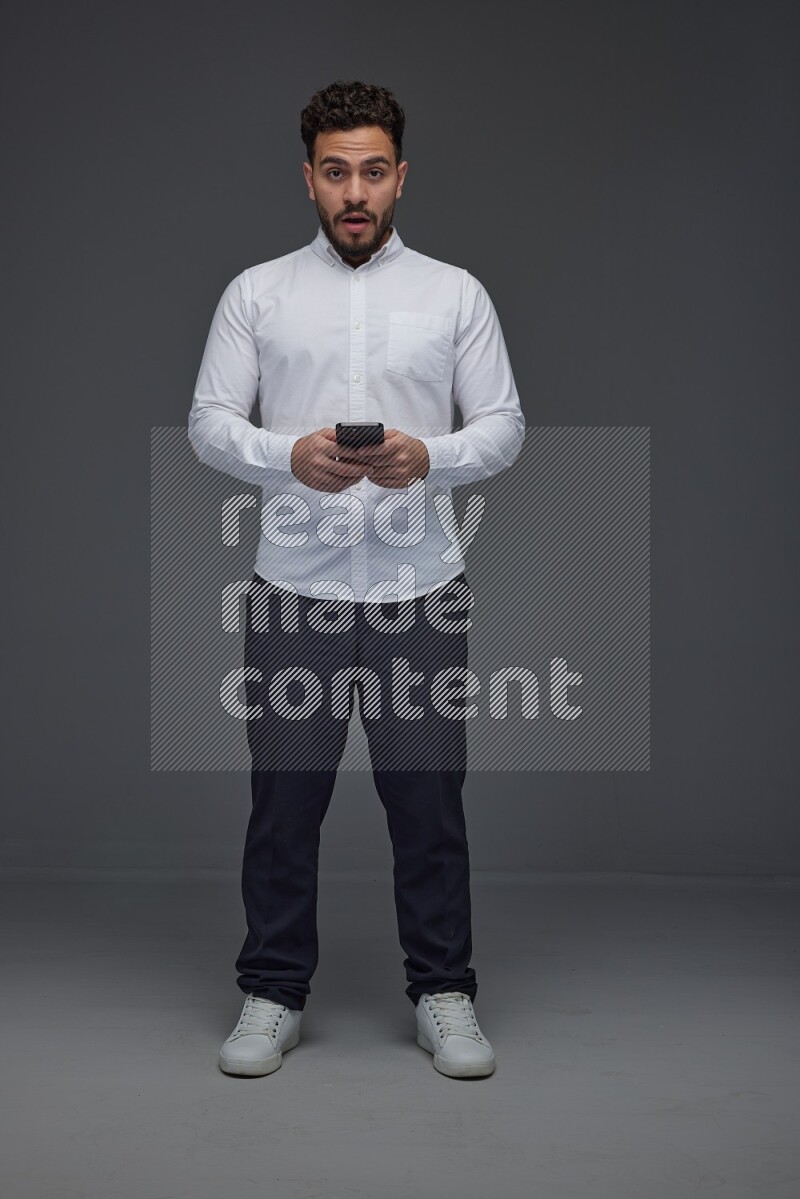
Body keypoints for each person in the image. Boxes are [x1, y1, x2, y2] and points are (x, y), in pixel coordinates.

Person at [188, 79, 525, 1080]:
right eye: (335, 171)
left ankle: (443, 989)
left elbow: (502, 425)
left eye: (372, 171)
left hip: (422, 585)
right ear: (307, 179)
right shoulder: (256, 293)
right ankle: (271, 989)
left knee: (427, 799)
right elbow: (209, 420)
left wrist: (436, 459)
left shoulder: (454, 294)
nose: (354, 190)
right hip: (294, 583)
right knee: (283, 801)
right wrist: (282, 456)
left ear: (399, 177)